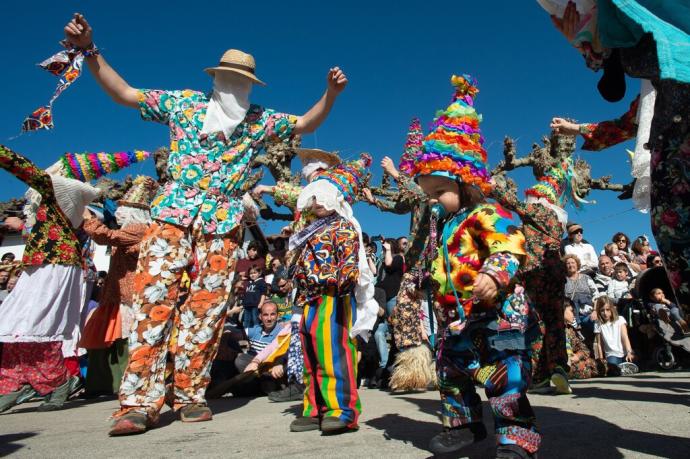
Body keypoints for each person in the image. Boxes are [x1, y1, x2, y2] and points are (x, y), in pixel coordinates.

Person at [63, 11, 349, 434]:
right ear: (215, 79)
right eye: (228, 77)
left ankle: (190, 394)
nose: (235, 85)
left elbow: (305, 124)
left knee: (207, 310)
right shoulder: (183, 104)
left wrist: (330, 93)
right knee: (153, 302)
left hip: (223, 222)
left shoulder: (260, 121)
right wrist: (89, 51)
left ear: (250, 86)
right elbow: (124, 92)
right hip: (173, 215)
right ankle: (138, 402)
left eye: (243, 80)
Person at [408, 75, 541, 458]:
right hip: (456, 315)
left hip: (498, 312)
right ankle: (464, 425)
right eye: (428, 195)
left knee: (505, 376)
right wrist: (421, 282)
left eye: (439, 192)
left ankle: (517, 440)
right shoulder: (443, 224)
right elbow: (438, 263)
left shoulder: (487, 212)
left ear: (464, 181)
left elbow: (511, 244)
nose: (432, 201)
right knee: (450, 371)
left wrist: (493, 274)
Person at [548, 1, 690, 311]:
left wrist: (592, 47)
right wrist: (578, 128)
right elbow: (627, 124)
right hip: (671, 186)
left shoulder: (675, 51)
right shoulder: (655, 93)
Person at [0, 145, 100, 413]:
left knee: (37, 323)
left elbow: (22, 166)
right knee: (16, 324)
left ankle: (54, 380)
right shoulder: (58, 199)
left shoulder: (58, 189)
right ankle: (15, 382)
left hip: (56, 263)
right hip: (42, 262)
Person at [288, 153, 378, 435]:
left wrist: (343, 286)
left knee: (332, 350)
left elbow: (351, 260)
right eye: (311, 198)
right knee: (310, 352)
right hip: (308, 297)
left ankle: (342, 409)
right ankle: (313, 407)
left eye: (320, 197)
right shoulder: (308, 230)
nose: (316, 204)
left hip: (332, 294)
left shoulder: (343, 226)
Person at [79, 176, 158, 395]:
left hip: (129, 294)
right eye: (119, 208)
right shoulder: (128, 230)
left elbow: (104, 236)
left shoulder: (139, 229)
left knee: (122, 339)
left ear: (136, 211)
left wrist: (87, 216)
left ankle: (122, 383)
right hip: (114, 294)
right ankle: (102, 384)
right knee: (105, 338)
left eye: (125, 208)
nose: (119, 212)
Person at [373, 238, 404, 383]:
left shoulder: (398, 258)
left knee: (396, 332)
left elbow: (389, 265)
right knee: (379, 332)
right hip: (381, 300)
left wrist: (387, 250)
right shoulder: (382, 260)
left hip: (392, 299)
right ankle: (384, 366)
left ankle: (395, 368)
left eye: (387, 245)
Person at [593, 297, 639, 376]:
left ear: (612, 309)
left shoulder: (620, 320)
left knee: (633, 360)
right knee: (613, 368)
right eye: (602, 310)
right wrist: (601, 359)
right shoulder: (598, 324)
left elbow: (625, 337)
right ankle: (619, 369)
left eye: (607, 310)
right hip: (611, 354)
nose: (605, 313)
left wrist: (629, 352)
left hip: (624, 353)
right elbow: (599, 344)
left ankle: (623, 367)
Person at [564, 254, 599, 326]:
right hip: (572, 314)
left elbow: (596, 295)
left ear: (577, 264)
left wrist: (595, 311)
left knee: (597, 322)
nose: (571, 265)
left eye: (573, 263)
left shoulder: (586, 278)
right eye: (568, 263)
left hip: (588, 312)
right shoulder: (563, 281)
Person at [242, 266, 268, 330]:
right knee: (246, 321)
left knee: (255, 320)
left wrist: (261, 303)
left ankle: (257, 333)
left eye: (254, 273)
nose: (252, 275)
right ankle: (246, 334)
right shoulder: (249, 282)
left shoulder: (261, 282)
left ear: (259, 273)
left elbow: (263, 294)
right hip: (247, 305)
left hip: (255, 305)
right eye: (251, 273)